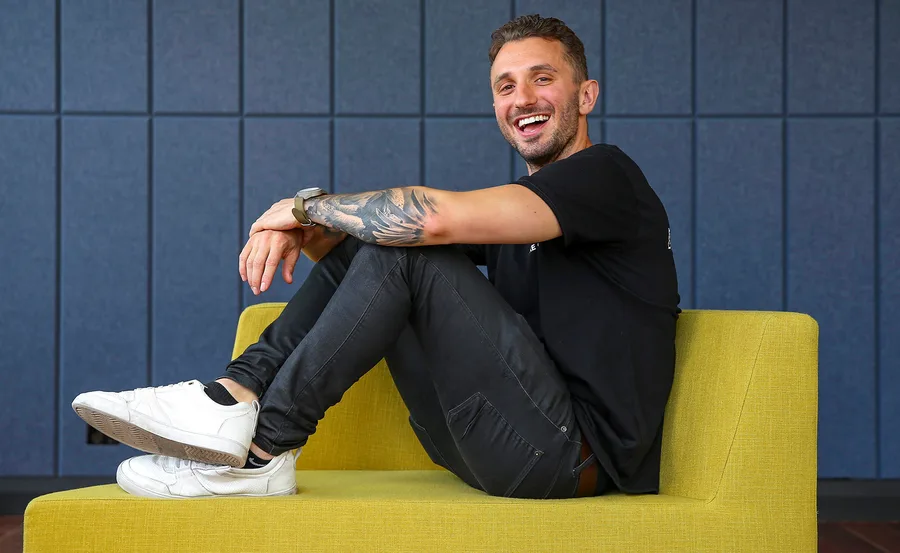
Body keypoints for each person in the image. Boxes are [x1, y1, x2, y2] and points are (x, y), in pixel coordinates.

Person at [73, 14, 679, 500]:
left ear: (586, 93)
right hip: (481, 439)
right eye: (505, 86)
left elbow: (428, 220)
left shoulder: (608, 178)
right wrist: (315, 234)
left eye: (543, 78)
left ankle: (262, 452)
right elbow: (374, 273)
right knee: (385, 239)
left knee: (412, 244)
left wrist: (303, 207)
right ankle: (233, 395)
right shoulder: (523, 212)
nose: (522, 97)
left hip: (567, 458)